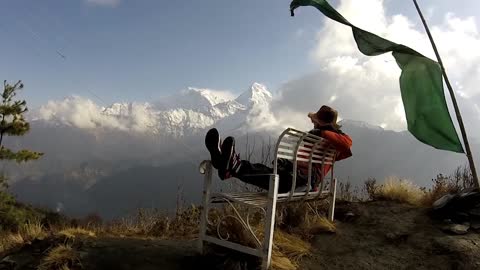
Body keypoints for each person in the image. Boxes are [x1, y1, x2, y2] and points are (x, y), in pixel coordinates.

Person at [204, 105, 352, 193]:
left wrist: (322, 132)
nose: (313, 125)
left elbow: (347, 144)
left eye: (315, 122)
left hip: (300, 183)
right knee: (262, 169)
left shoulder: (328, 138)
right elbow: (343, 149)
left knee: (269, 175)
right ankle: (228, 164)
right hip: (296, 178)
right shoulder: (329, 145)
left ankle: (230, 165)